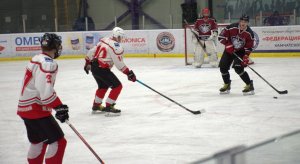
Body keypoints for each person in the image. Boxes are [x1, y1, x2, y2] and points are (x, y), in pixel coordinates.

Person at [17, 33, 69, 163]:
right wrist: (59, 106)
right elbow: (45, 94)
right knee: (58, 142)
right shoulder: (48, 63)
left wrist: (57, 106)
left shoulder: (36, 58)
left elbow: (40, 88)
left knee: (38, 142)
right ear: (56, 46)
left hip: (25, 108)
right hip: (36, 110)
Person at [84, 27, 136, 116]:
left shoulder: (104, 40)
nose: (121, 39)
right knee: (117, 86)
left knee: (103, 86)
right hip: (102, 69)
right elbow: (119, 64)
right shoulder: (116, 46)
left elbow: (92, 51)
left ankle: (96, 106)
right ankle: (109, 106)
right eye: (120, 37)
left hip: (94, 67)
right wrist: (128, 73)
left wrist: (87, 62)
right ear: (117, 36)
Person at [218, 14, 255, 95]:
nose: (243, 23)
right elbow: (220, 37)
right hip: (229, 49)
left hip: (240, 52)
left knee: (238, 68)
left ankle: (249, 84)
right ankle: (227, 84)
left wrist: (246, 57)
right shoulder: (231, 27)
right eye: (242, 21)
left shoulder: (249, 33)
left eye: (245, 22)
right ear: (239, 21)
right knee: (223, 68)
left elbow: (249, 47)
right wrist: (227, 44)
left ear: (247, 23)